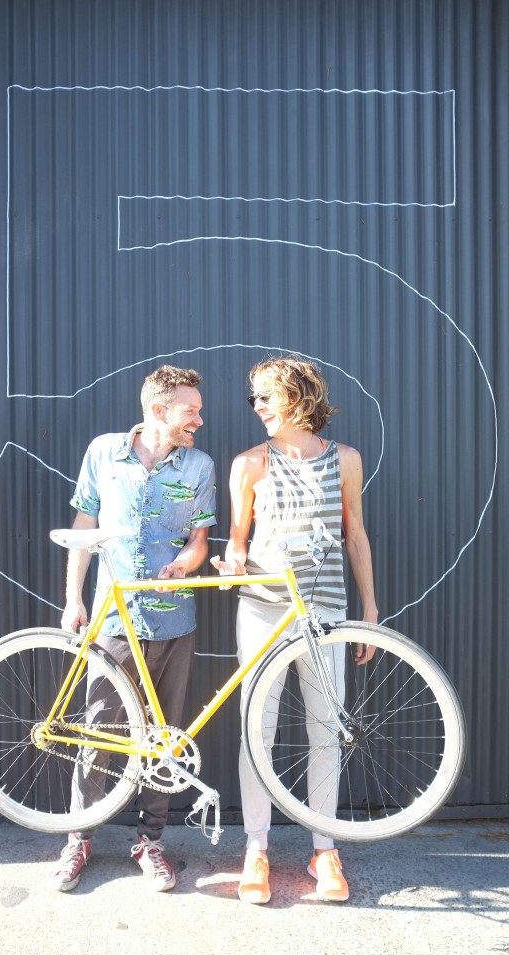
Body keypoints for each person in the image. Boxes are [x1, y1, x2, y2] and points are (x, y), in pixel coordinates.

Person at [212, 355, 378, 904]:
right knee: (256, 732)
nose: (256, 405)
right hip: (263, 608)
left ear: (295, 395)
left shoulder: (347, 460)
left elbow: (355, 535)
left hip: (326, 614)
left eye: (264, 395)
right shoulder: (249, 465)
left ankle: (323, 850)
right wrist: (233, 562)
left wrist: (369, 611)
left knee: (326, 730)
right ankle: (255, 851)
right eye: (253, 397)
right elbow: (237, 539)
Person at [51, 365, 216, 893]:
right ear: (158, 409)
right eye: (190, 410)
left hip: (175, 620)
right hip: (113, 619)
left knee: (164, 740)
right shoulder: (104, 452)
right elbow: (84, 528)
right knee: (100, 735)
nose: (199, 419)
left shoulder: (200, 465)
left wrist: (183, 567)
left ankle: (151, 842)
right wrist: (73, 598)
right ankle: (77, 837)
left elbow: (199, 541)